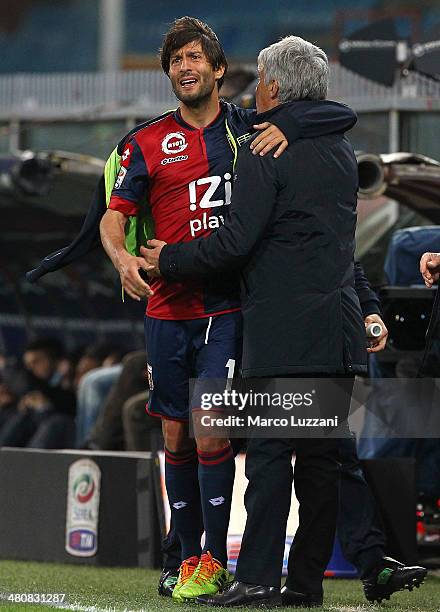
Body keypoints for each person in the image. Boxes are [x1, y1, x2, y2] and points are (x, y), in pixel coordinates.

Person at [143, 36, 427, 607]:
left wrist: (167, 258)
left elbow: (234, 242)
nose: (257, 90)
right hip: (337, 331)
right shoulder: (340, 150)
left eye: (262, 81)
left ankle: (255, 580)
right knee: (322, 462)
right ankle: (303, 585)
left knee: (271, 458)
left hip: (283, 332)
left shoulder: (265, 149)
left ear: (272, 85)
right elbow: (336, 249)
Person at [98, 16, 331, 602]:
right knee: (175, 437)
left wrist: (294, 127)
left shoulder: (248, 129)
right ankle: (186, 555)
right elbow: (113, 216)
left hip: (226, 308)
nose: (185, 67)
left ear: (220, 69)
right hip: (166, 313)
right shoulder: (144, 142)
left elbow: (324, 116)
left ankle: (211, 560)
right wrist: (121, 259)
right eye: (176, 60)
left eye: (196, 57)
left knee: (209, 432)